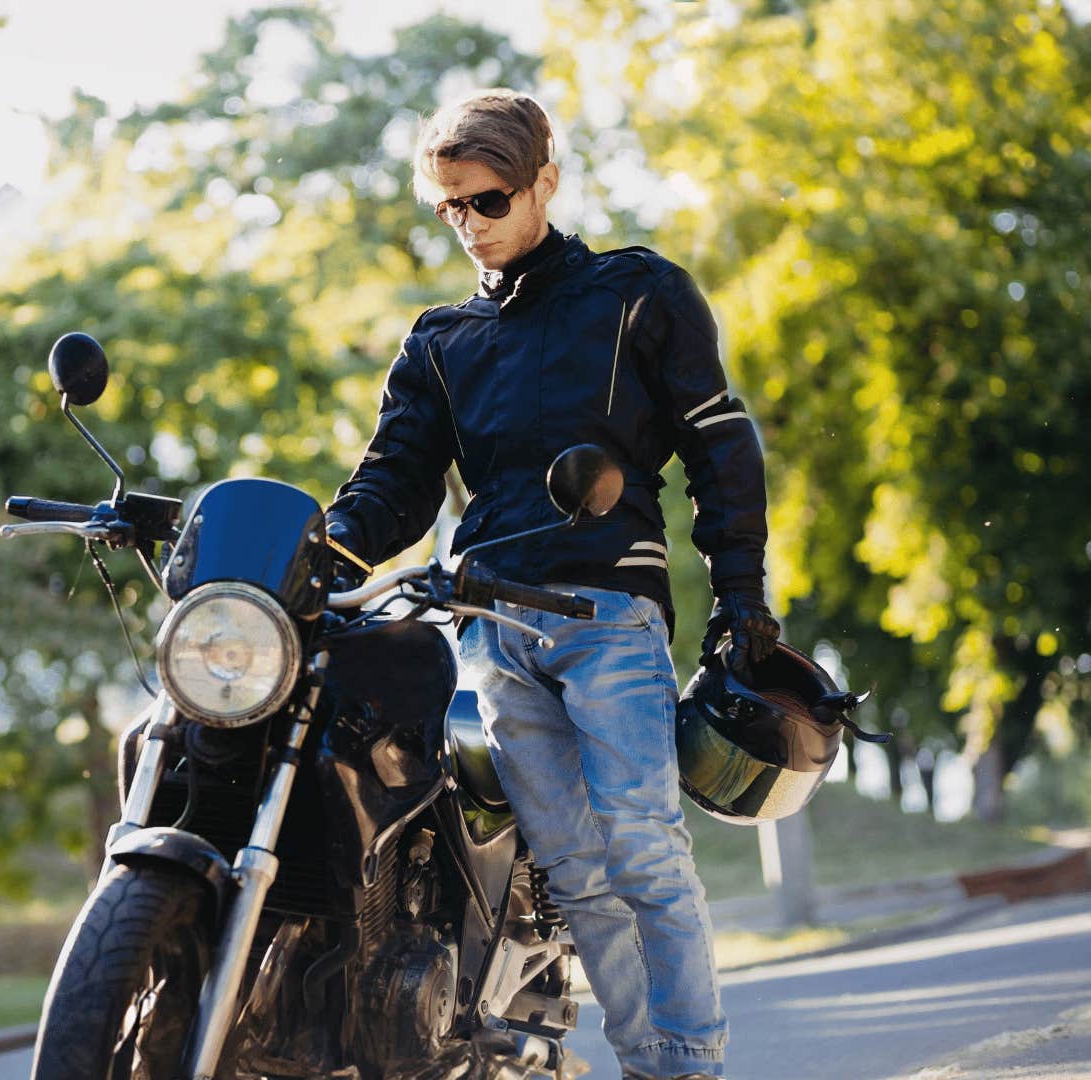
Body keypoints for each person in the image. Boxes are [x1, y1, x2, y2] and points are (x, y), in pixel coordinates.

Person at [324, 89, 780, 1080]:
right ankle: (645, 1063)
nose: (468, 228)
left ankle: (689, 1070)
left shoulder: (636, 295)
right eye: (449, 209)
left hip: (606, 614)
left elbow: (720, 447)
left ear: (543, 185)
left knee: (644, 855)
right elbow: (392, 483)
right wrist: (315, 553)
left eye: (486, 203)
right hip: (488, 626)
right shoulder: (441, 342)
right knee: (577, 876)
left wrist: (743, 596)